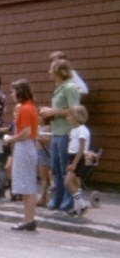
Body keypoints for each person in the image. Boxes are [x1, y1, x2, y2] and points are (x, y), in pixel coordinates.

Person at [40, 59, 80, 211]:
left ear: (59, 71)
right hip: (56, 131)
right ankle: (57, 198)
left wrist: (54, 112)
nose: (49, 72)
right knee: (56, 168)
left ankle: (68, 200)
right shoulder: (59, 87)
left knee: (65, 168)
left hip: (66, 132)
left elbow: (74, 110)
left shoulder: (70, 87)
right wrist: (49, 111)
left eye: (51, 69)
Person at [3, 79, 39, 231]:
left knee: (26, 186)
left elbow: (25, 132)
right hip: (29, 146)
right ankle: (29, 218)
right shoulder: (31, 107)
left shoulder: (24, 109)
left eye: (13, 92)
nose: (12, 95)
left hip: (24, 146)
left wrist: (11, 138)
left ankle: (28, 219)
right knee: (29, 184)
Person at [64, 105, 91, 216]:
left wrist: (74, 163)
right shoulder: (74, 130)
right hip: (72, 157)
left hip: (78, 158)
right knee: (75, 182)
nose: (68, 118)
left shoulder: (82, 130)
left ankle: (82, 204)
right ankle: (77, 208)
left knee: (68, 182)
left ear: (77, 117)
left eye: (70, 115)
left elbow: (81, 148)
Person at [36, 114, 52, 207]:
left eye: (40, 116)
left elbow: (48, 140)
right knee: (42, 177)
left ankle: (43, 198)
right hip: (39, 151)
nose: (38, 118)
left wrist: (38, 136)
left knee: (44, 177)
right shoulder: (40, 127)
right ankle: (44, 197)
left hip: (44, 152)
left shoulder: (48, 128)